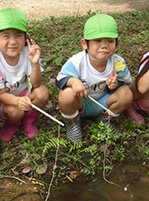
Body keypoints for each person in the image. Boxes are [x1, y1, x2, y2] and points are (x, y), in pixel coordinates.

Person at [55, 14, 133, 143]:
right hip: (81, 102)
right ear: (85, 43)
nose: (104, 46)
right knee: (66, 94)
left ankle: (105, 119)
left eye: (110, 41)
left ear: (117, 43)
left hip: (103, 102)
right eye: (97, 41)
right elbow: (60, 80)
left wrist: (115, 85)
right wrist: (74, 81)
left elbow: (125, 82)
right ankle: (73, 123)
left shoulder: (118, 62)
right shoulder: (77, 62)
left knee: (126, 93)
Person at [0, 8, 49, 142]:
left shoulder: (28, 53)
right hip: (4, 101)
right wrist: (18, 101)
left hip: (23, 94)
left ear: (25, 37)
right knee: (15, 111)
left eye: (18, 35)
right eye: (6, 36)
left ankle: (29, 119)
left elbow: (35, 84)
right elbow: (1, 94)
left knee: (42, 92)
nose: (13, 41)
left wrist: (34, 64)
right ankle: (13, 123)